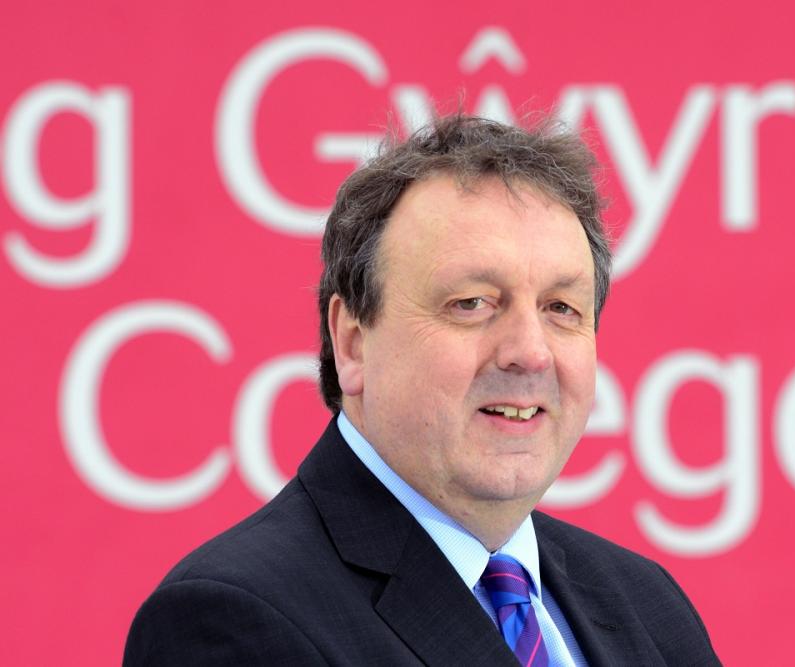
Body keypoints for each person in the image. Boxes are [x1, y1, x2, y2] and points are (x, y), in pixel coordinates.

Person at [124, 114, 721, 666]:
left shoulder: (648, 605)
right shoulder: (231, 620)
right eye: (472, 302)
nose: (531, 352)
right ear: (352, 343)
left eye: (561, 308)